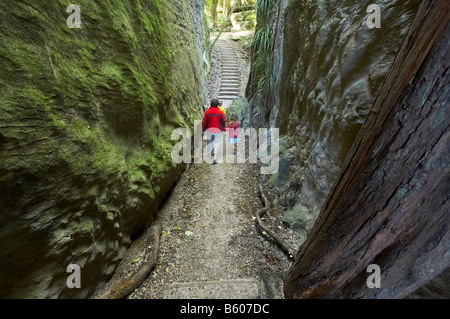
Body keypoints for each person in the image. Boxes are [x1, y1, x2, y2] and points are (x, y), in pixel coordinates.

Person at [203, 99, 225, 164]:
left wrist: (204, 129)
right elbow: (223, 121)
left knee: (210, 141)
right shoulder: (220, 112)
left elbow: (205, 122)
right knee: (216, 143)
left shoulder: (207, 112)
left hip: (210, 129)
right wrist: (223, 127)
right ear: (217, 105)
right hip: (217, 130)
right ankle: (215, 158)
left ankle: (212, 153)